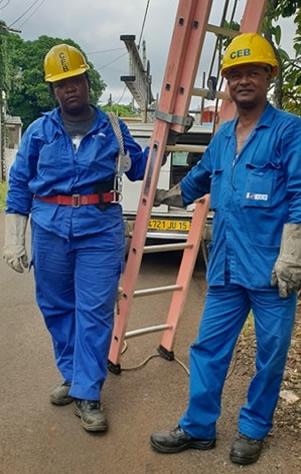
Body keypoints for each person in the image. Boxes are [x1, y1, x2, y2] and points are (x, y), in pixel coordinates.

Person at [150, 33, 301, 465]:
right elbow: (198, 181)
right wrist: (162, 196)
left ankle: (253, 428)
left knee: (270, 356)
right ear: (227, 83)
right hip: (227, 267)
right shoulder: (222, 136)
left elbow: (299, 195)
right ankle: (198, 427)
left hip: (274, 270)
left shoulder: (290, 131)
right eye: (235, 74)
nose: (243, 80)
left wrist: (293, 255)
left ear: (268, 77)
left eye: (252, 71)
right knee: (207, 347)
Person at [3, 43, 150, 433]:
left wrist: (167, 140)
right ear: (54, 91)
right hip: (49, 228)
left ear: (88, 81)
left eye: (75, 80)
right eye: (61, 84)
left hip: (100, 229)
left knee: (95, 310)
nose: (70, 89)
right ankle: (73, 374)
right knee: (54, 306)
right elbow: (19, 184)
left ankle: (88, 392)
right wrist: (14, 237)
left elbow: (140, 168)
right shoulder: (38, 132)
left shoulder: (114, 128)